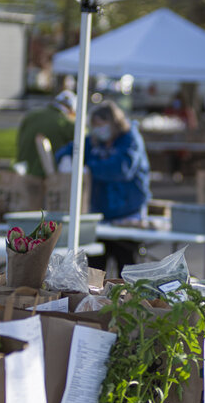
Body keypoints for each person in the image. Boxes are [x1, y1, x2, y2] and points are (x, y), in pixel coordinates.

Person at [56, 100, 151, 274]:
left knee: (127, 269)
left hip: (127, 214)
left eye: (102, 124)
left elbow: (121, 168)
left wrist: (89, 168)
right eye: (95, 125)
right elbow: (70, 150)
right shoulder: (94, 141)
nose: (99, 129)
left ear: (114, 122)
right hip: (99, 214)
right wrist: (65, 159)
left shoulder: (130, 139)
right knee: (95, 270)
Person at [15, 90, 77, 177]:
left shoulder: (32, 115)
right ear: (71, 109)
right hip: (46, 173)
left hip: (23, 168)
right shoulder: (66, 122)